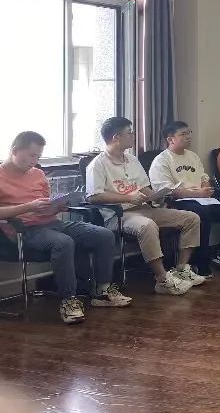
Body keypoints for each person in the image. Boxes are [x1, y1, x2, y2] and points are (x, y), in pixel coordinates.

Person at [0, 131, 130, 324]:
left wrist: (57, 207)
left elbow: (45, 206)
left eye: (38, 157)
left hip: (52, 223)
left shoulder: (37, 174)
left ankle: (102, 291)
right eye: (31, 155)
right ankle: (68, 300)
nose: (35, 161)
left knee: (104, 235)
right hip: (23, 230)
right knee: (63, 242)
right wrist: (28, 207)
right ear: (15, 151)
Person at [85, 117, 203, 295]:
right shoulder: (97, 164)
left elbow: (144, 188)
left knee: (191, 218)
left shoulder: (132, 160)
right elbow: (93, 197)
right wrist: (127, 197)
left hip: (144, 209)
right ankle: (162, 279)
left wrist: (156, 196)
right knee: (147, 226)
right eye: (130, 132)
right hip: (119, 215)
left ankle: (181, 269)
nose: (133, 135)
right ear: (116, 137)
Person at [149, 120, 220, 275]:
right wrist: (198, 193)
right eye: (183, 134)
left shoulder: (192, 156)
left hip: (202, 198)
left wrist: (205, 188)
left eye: (189, 133)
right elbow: (168, 191)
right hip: (177, 202)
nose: (188, 136)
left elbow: (204, 177)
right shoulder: (162, 160)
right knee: (203, 213)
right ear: (170, 139)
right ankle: (199, 263)